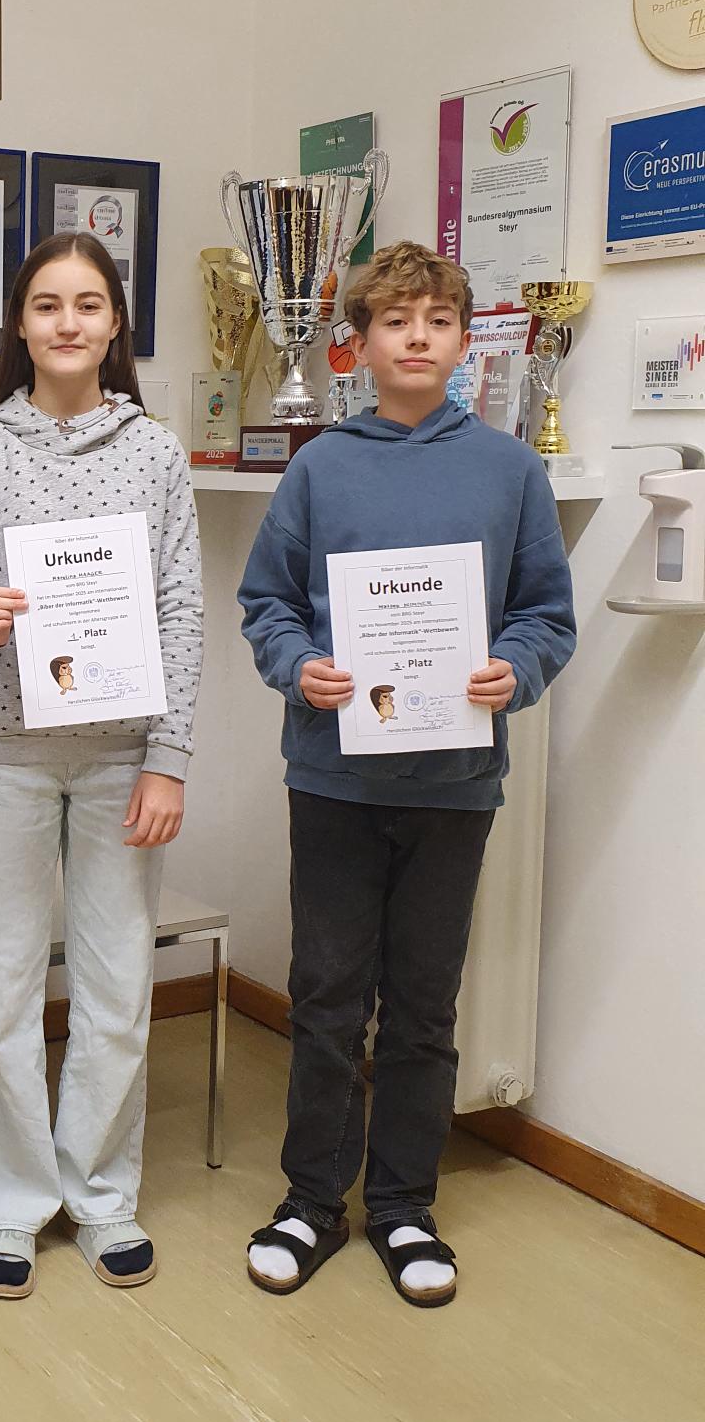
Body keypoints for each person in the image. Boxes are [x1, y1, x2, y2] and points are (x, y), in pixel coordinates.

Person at [237, 240, 576, 1307]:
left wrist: (514, 669)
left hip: (452, 784)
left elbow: (545, 614)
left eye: (437, 320)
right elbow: (267, 603)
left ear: (465, 340)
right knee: (327, 996)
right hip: (333, 778)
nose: (417, 337)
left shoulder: (511, 472)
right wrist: (301, 668)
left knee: (425, 1003)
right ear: (359, 343)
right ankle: (310, 1200)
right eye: (396, 320)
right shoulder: (319, 467)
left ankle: (403, 1207)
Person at [0, 233, 203, 1299]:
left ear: (116, 322)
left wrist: (169, 758)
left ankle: (101, 1195)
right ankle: (8, 1204)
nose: (69, 322)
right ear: (21, 323)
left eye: (89, 304)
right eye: (48, 304)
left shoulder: (157, 452)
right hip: (5, 752)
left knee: (116, 987)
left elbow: (182, 611)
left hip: (122, 758)